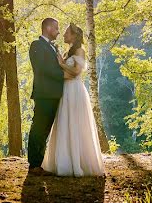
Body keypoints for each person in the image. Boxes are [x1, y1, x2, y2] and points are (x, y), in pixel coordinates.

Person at [42, 23, 105, 177]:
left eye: (66, 33)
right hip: (66, 90)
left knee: (76, 123)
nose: (63, 35)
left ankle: (78, 163)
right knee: (65, 122)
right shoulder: (68, 52)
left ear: (74, 36)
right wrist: (62, 65)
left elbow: (77, 71)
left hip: (75, 91)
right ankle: (65, 161)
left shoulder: (79, 50)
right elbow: (67, 72)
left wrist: (62, 64)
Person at [27, 17, 64, 175]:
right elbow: (42, 69)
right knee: (39, 128)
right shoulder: (37, 45)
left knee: (45, 130)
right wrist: (64, 74)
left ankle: (39, 164)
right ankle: (34, 164)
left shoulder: (52, 47)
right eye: (56, 28)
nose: (58, 31)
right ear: (48, 28)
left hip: (53, 94)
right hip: (44, 94)